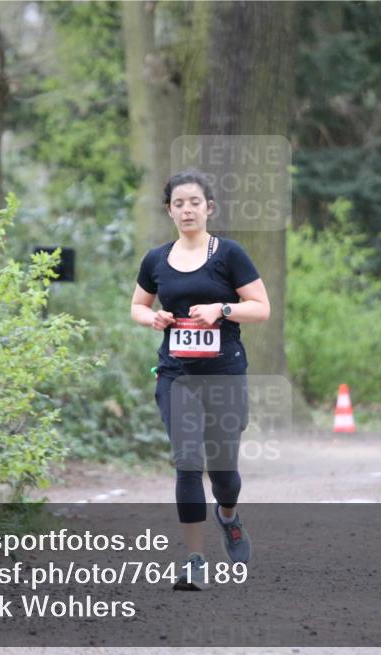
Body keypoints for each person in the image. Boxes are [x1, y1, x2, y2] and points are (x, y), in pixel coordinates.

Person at [131, 169, 271, 591]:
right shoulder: (156, 259)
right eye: (179, 203)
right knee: (187, 462)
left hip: (224, 374)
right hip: (177, 375)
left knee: (223, 470)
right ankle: (194, 559)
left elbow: (260, 307)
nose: (187, 209)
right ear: (169, 211)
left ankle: (227, 515)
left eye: (195, 202)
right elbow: (137, 306)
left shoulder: (228, 254)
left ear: (209, 207)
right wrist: (151, 317)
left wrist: (222, 310)